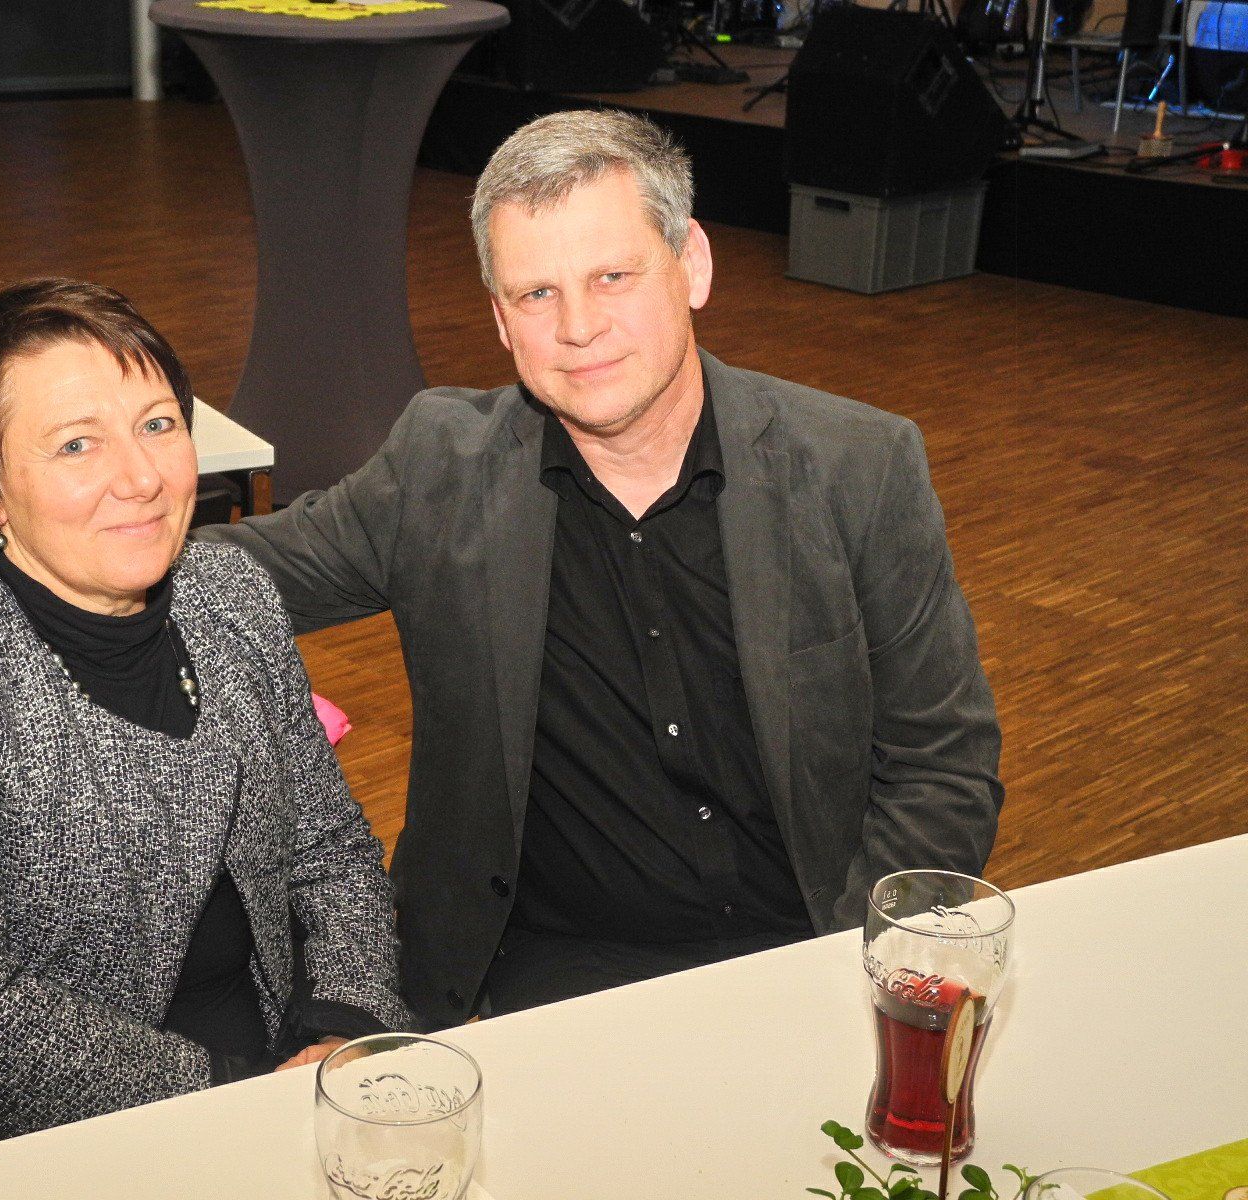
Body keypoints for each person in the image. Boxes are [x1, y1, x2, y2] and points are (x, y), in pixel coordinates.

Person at [196, 109, 1005, 1028]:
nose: (578, 327)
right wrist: (67, 522)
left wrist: (842, 971)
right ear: (501, 320)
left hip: (800, 955)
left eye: (613, 277)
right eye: (535, 294)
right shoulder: (441, 465)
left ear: (692, 265)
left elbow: (944, 766)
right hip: (540, 978)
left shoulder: (858, 466)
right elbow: (245, 569)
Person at [0, 279, 408, 1178]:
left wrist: (341, 1030)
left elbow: (332, 851)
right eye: (77, 444)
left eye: (158, 425)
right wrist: (232, 1102)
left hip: (282, 1065)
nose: (142, 477)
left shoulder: (231, 595)